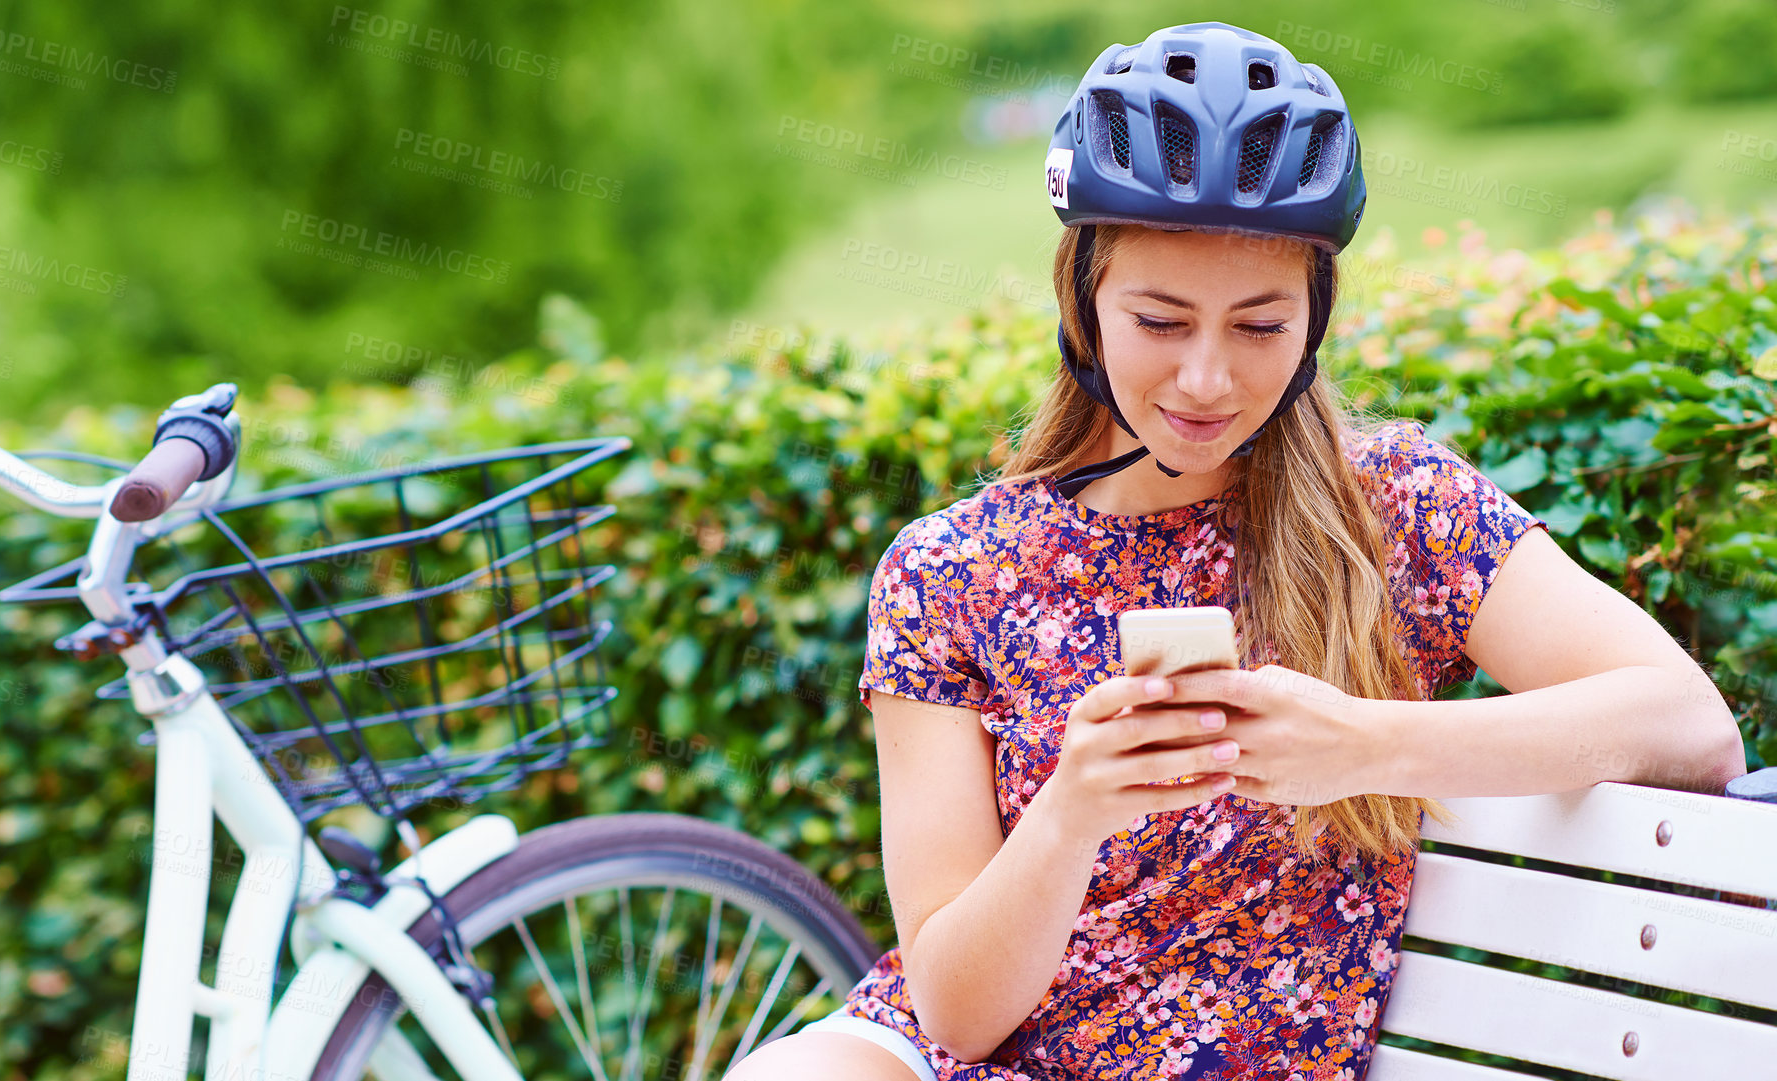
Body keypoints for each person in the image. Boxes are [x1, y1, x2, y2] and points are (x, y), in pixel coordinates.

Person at [725, 18, 1740, 1081]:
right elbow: (957, 1015)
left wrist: (1365, 743)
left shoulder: (1390, 506)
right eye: (1160, 321)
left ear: (1314, 320)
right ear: (1083, 308)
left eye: (1258, 326)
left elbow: (1687, 723)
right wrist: (1073, 810)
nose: (1207, 380)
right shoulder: (950, 573)